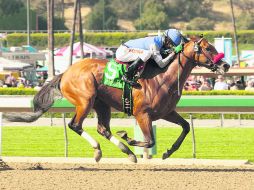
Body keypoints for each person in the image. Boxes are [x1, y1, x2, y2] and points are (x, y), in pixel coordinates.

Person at [115, 29, 184, 86]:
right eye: (171, 44)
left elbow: (162, 52)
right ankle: (127, 76)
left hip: (126, 49)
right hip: (123, 52)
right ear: (167, 40)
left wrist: (171, 51)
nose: (171, 46)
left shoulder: (159, 40)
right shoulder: (154, 45)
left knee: (148, 55)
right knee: (147, 54)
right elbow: (161, 64)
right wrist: (173, 53)